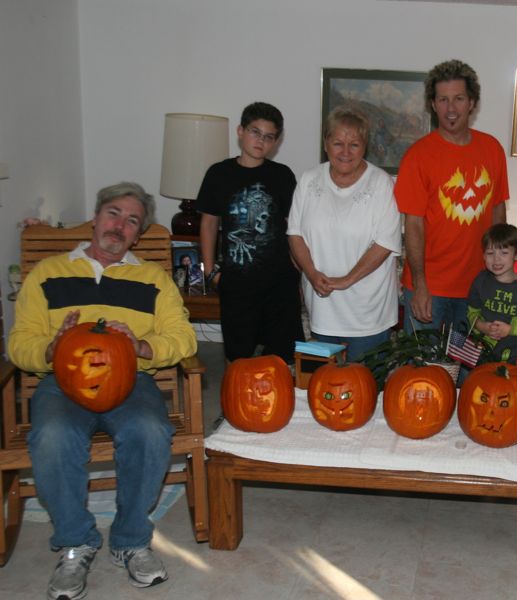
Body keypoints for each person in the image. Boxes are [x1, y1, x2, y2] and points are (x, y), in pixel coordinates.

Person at [8, 182, 197, 599]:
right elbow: (19, 342)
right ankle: (76, 543)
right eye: (114, 213)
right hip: (61, 383)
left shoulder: (152, 279)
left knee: (150, 431)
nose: (120, 225)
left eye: (133, 221)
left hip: (131, 380)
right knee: (54, 436)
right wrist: (51, 348)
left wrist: (143, 347)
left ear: (138, 234)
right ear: (96, 218)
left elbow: (183, 337)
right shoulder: (49, 272)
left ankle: (130, 540)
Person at [394, 59, 509, 334]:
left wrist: (499, 274)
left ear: (472, 102)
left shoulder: (492, 149)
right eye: (443, 100)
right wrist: (420, 284)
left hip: (478, 287)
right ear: (433, 105)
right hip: (430, 289)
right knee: (424, 374)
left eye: (458, 98)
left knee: (473, 374)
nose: (451, 108)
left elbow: (498, 212)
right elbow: (413, 225)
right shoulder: (418, 156)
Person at [287, 107, 401, 361]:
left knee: (364, 386)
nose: (346, 152)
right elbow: (294, 234)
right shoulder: (308, 180)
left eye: (354, 144)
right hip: (322, 304)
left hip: (368, 309)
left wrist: (347, 280)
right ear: (326, 144)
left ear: (365, 146)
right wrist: (312, 273)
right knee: (322, 386)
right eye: (338, 143)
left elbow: (384, 243)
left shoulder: (381, 183)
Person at [197, 101, 302, 365]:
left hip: (279, 282)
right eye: (255, 132)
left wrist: (300, 272)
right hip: (237, 283)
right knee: (238, 358)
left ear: (276, 142)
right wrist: (210, 271)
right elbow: (209, 224)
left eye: (269, 137)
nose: (261, 141)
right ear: (240, 131)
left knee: (281, 359)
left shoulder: (283, 176)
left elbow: (295, 227)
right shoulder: (218, 174)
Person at [466, 223, 517, 363]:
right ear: (484, 255)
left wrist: (511, 329)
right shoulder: (480, 280)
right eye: (490, 253)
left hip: (516, 357)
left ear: (516, 255)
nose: (496, 259)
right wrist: (481, 326)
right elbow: (472, 311)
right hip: (481, 355)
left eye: (504, 253)